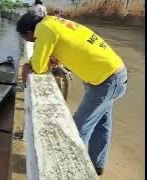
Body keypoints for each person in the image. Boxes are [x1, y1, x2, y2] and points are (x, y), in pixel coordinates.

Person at [17, 11, 127, 176]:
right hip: (112, 73)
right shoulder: (53, 22)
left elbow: (39, 68)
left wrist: (28, 65)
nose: (30, 42)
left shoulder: (44, 28)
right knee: (102, 124)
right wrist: (53, 57)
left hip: (106, 81)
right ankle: (97, 165)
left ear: (29, 32)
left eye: (27, 39)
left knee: (77, 129)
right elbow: (69, 47)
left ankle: (72, 173)